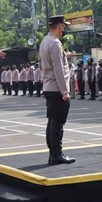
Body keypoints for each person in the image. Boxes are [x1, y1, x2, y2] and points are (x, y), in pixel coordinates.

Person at [40, 15, 75, 165]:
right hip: (56, 88)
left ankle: (53, 153)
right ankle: (56, 154)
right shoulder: (55, 43)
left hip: (49, 87)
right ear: (59, 26)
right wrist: (65, 92)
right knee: (57, 123)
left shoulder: (45, 41)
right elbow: (58, 70)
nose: (65, 29)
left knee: (52, 121)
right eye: (64, 26)